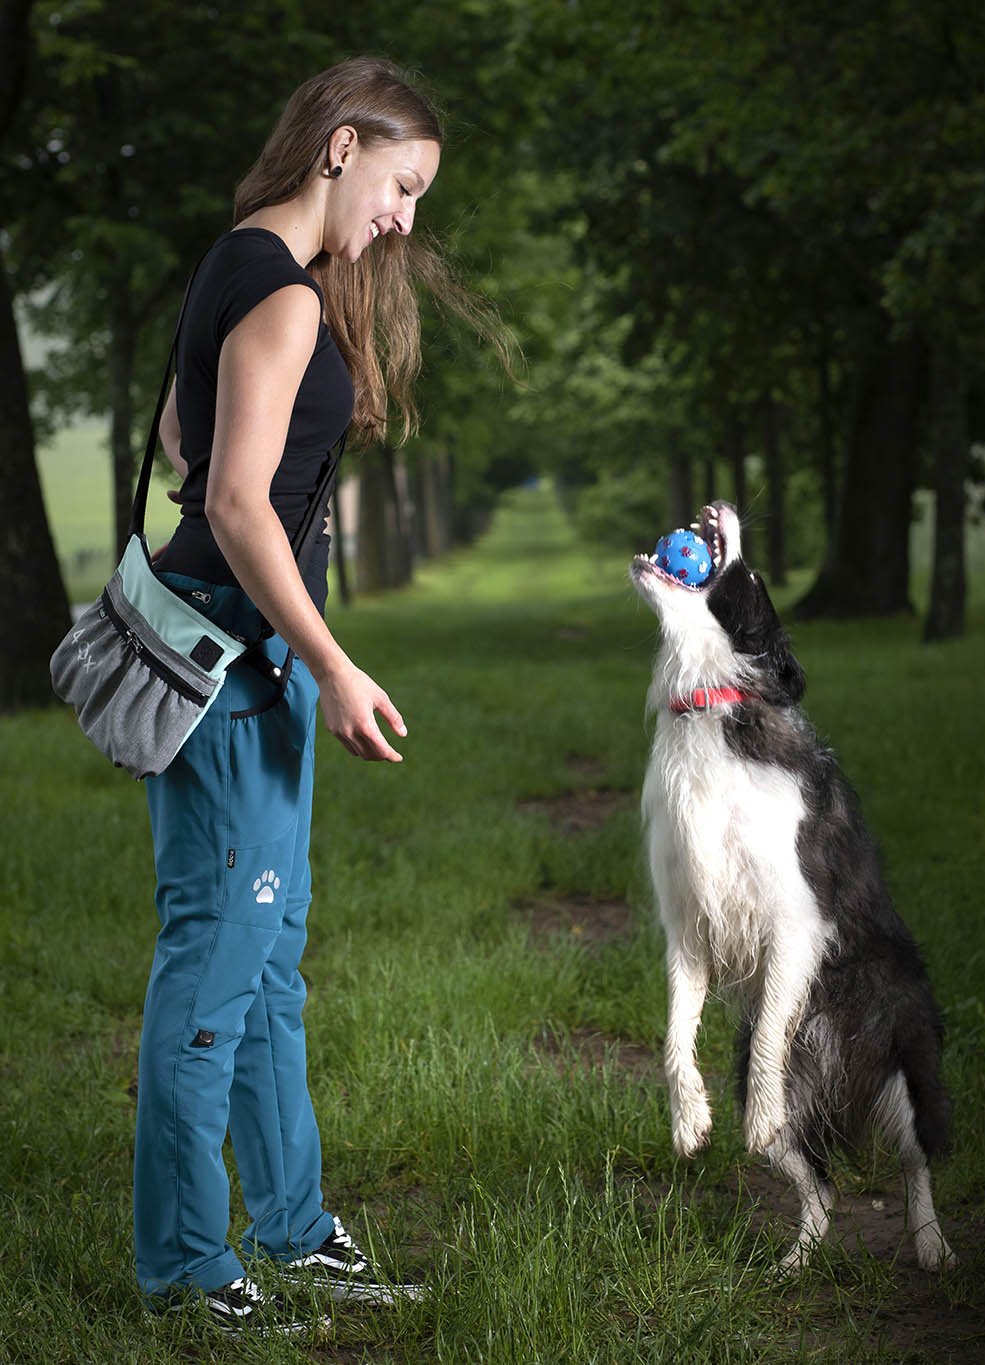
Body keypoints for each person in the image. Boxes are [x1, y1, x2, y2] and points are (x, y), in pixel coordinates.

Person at [136, 56, 488, 1335]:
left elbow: (186, 436)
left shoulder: (236, 260)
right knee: (218, 967)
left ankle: (291, 1232)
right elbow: (229, 498)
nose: (404, 218)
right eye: (401, 185)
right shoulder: (279, 295)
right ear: (340, 148)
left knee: (268, 963)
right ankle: (182, 1268)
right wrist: (331, 663)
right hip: (243, 664)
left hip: (245, 651)